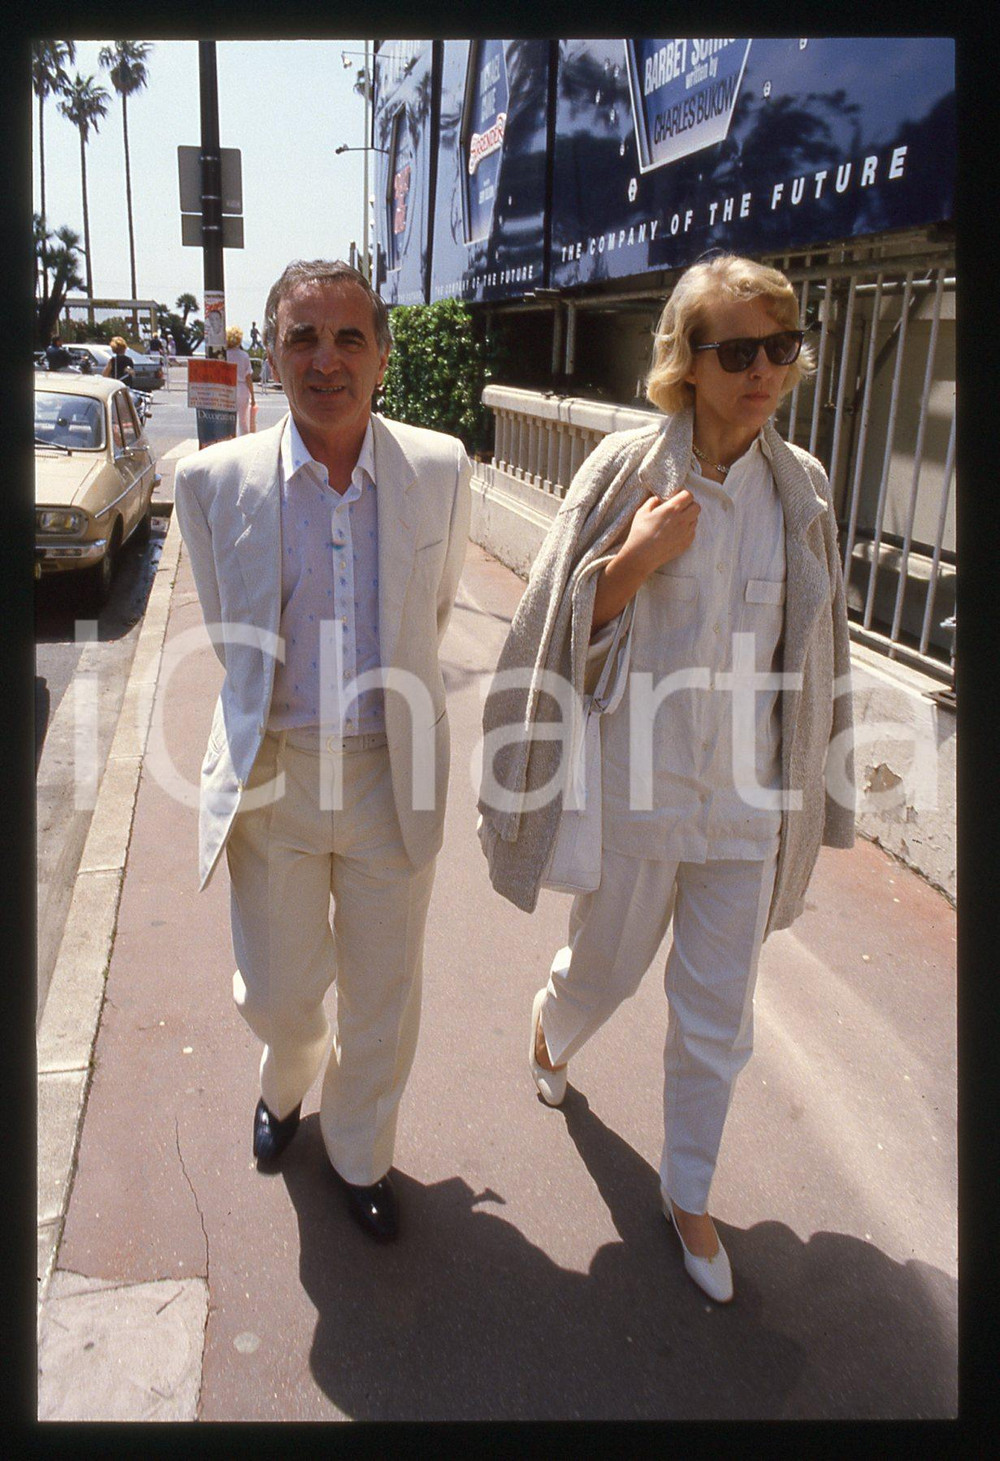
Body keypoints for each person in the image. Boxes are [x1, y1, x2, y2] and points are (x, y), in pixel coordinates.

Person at [478, 254, 854, 1303]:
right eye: (738, 351)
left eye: (780, 347)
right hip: (636, 794)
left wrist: (820, 781)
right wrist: (634, 559)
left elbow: (817, 653)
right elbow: (558, 625)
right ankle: (553, 1025)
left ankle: (689, 1193)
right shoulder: (626, 469)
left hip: (745, 806)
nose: (763, 371)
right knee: (603, 973)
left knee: (716, 1018)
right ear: (685, 360)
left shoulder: (802, 488)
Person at [174, 259, 472, 1243]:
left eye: (349, 337)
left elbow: (431, 614)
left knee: (384, 995)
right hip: (275, 777)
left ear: (382, 356)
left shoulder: (439, 469)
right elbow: (230, 634)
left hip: (393, 770)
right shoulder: (213, 482)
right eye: (302, 336)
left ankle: (358, 1152)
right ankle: (286, 1075)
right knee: (279, 993)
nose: (326, 359)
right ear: (271, 354)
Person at [225, 324, 257, 436]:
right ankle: (244, 440)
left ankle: (230, 438)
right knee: (243, 420)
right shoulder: (244, 355)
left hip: (228, 388)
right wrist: (253, 396)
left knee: (229, 420)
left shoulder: (224, 355)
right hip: (242, 388)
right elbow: (248, 378)